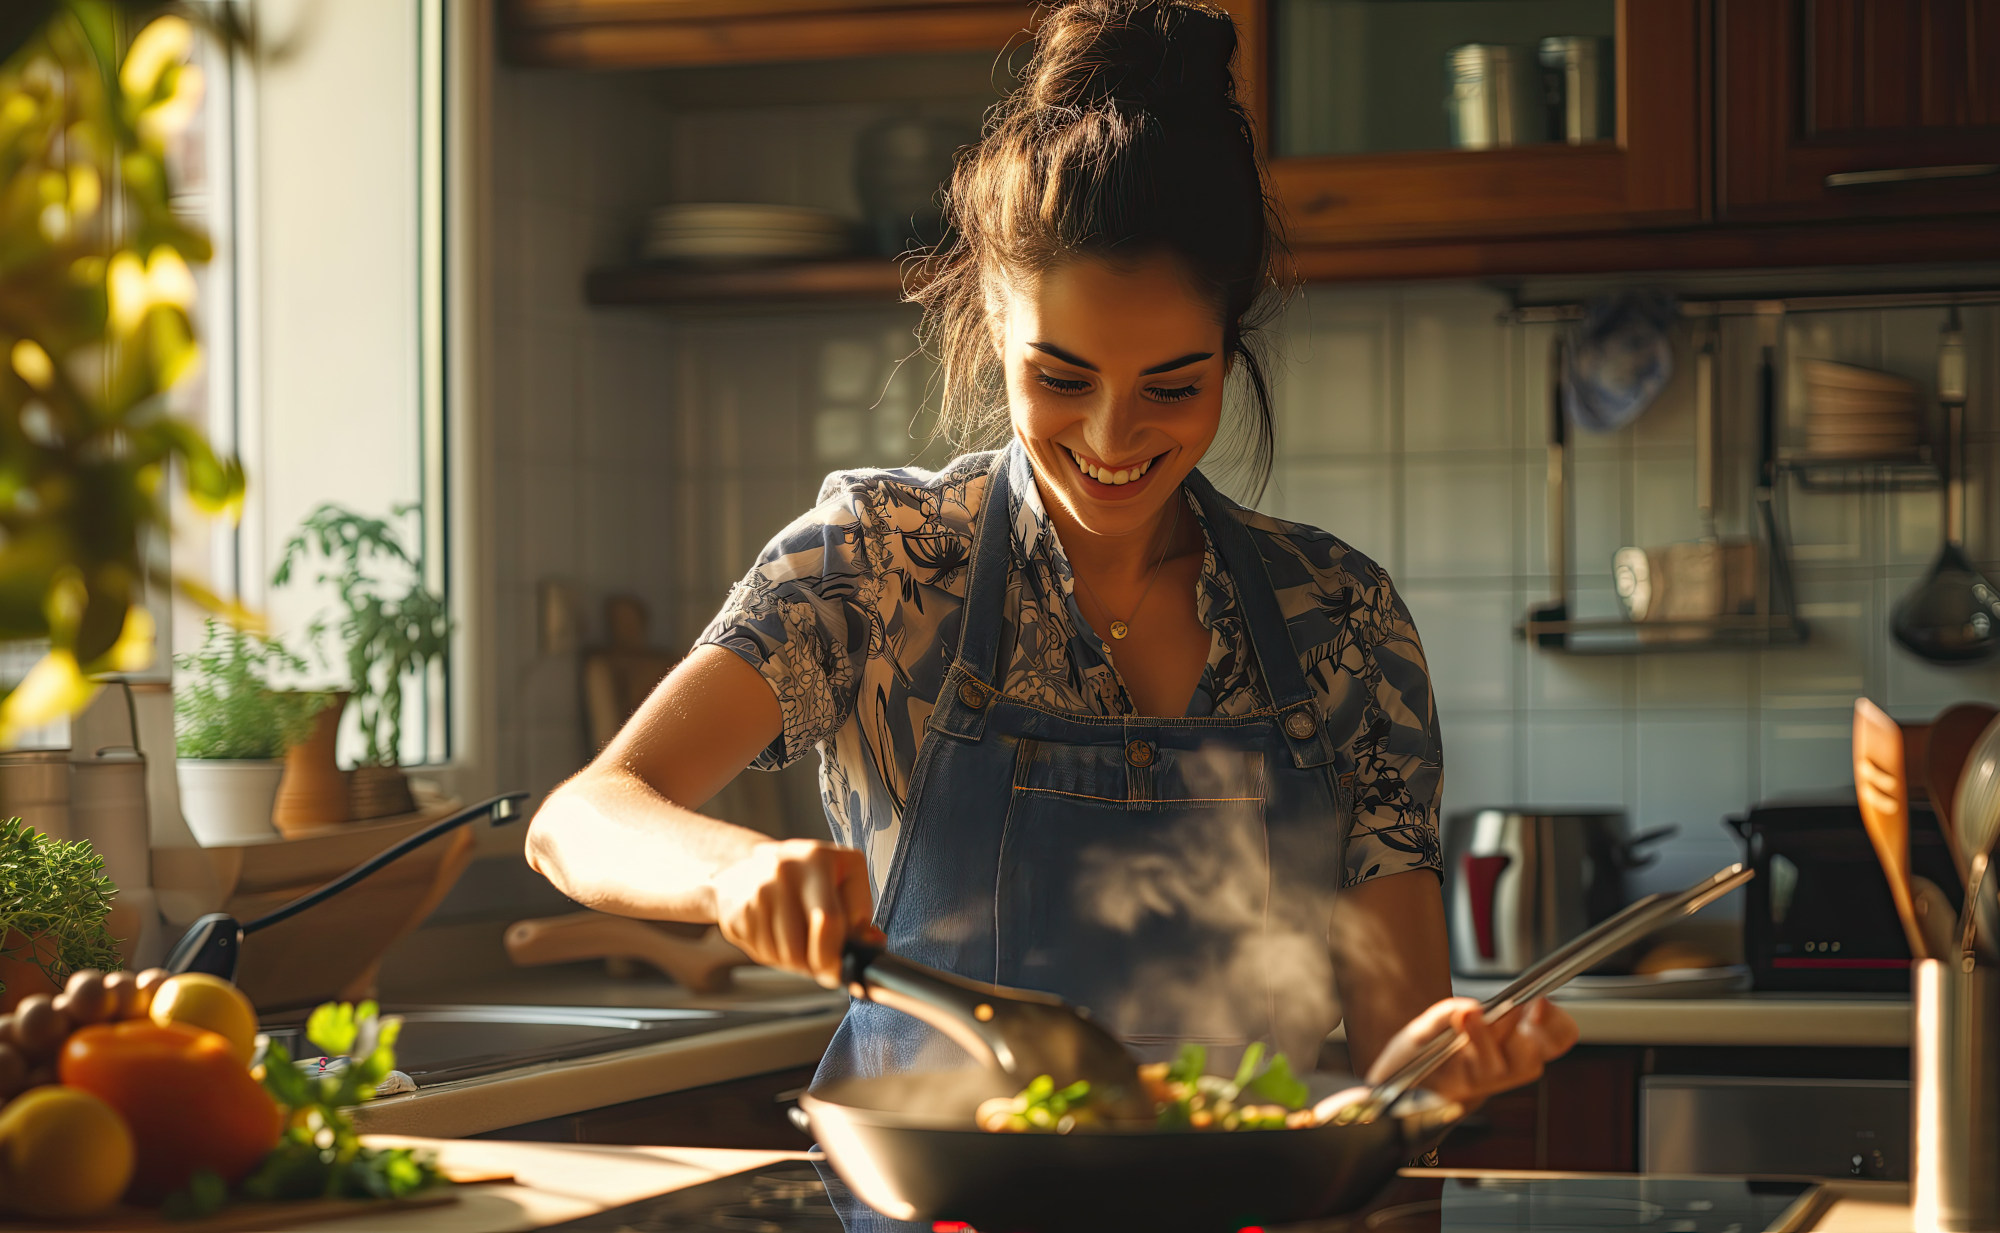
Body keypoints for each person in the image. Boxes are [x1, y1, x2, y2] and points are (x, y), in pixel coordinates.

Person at [527, 0, 1577, 1219]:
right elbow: (581, 818)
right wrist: (733, 876)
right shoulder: (881, 563)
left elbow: (1391, 1061)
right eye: (1059, 378)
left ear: (1231, 352)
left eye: (1171, 386)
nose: (1112, 438)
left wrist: (1445, 1066)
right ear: (990, 321)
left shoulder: (1337, 617)